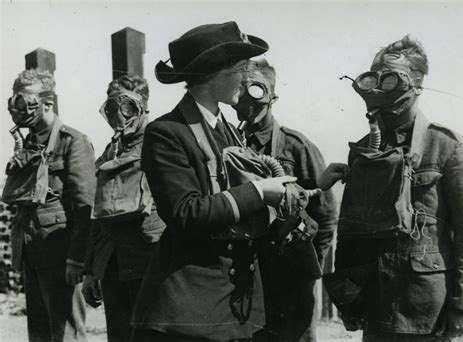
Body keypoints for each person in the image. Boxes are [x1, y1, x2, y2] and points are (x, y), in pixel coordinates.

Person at [129, 21, 301, 341]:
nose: (248, 79)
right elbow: (186, 213)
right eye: (242, 68)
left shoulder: (228, 130)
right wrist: (259, 192)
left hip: (231, 304)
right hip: (188, 311)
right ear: (215, 72)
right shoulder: (167, 132)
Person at [333, 36, 463, 341]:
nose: (381, 88)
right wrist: (347, 300)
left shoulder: (447, 147)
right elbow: (349, 233)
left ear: (418, 84)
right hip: (376, 306)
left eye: (391, 79)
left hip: (425, 310)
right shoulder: (364, 151)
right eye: (376, 78)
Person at [233, 59, 345, 342]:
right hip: (246, 277)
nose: (249, 101)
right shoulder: (228, 146)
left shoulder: (296, 147)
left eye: (257, 91)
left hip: (290, 278)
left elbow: (325, 213)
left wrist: (306, 267)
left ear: (273, 97)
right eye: (241, 89)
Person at [3, 69, 95, 341]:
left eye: (24, 100)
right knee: (39, 334)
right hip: (33, 254)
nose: (17, 107)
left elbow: (84, 206)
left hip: (60, 256)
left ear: (47, 103)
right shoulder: (29, 143)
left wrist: (77, 259)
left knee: (66, 334)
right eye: (14, 100)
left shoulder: (72, 142)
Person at [81, 75, 166, 342]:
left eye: (126, 106)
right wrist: (90, 271)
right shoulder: (110, 153)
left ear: (143, 106)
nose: (118, 114)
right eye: (111, 107)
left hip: (149, 261)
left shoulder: (162, 144)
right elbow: (97, 215)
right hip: (112, 264)